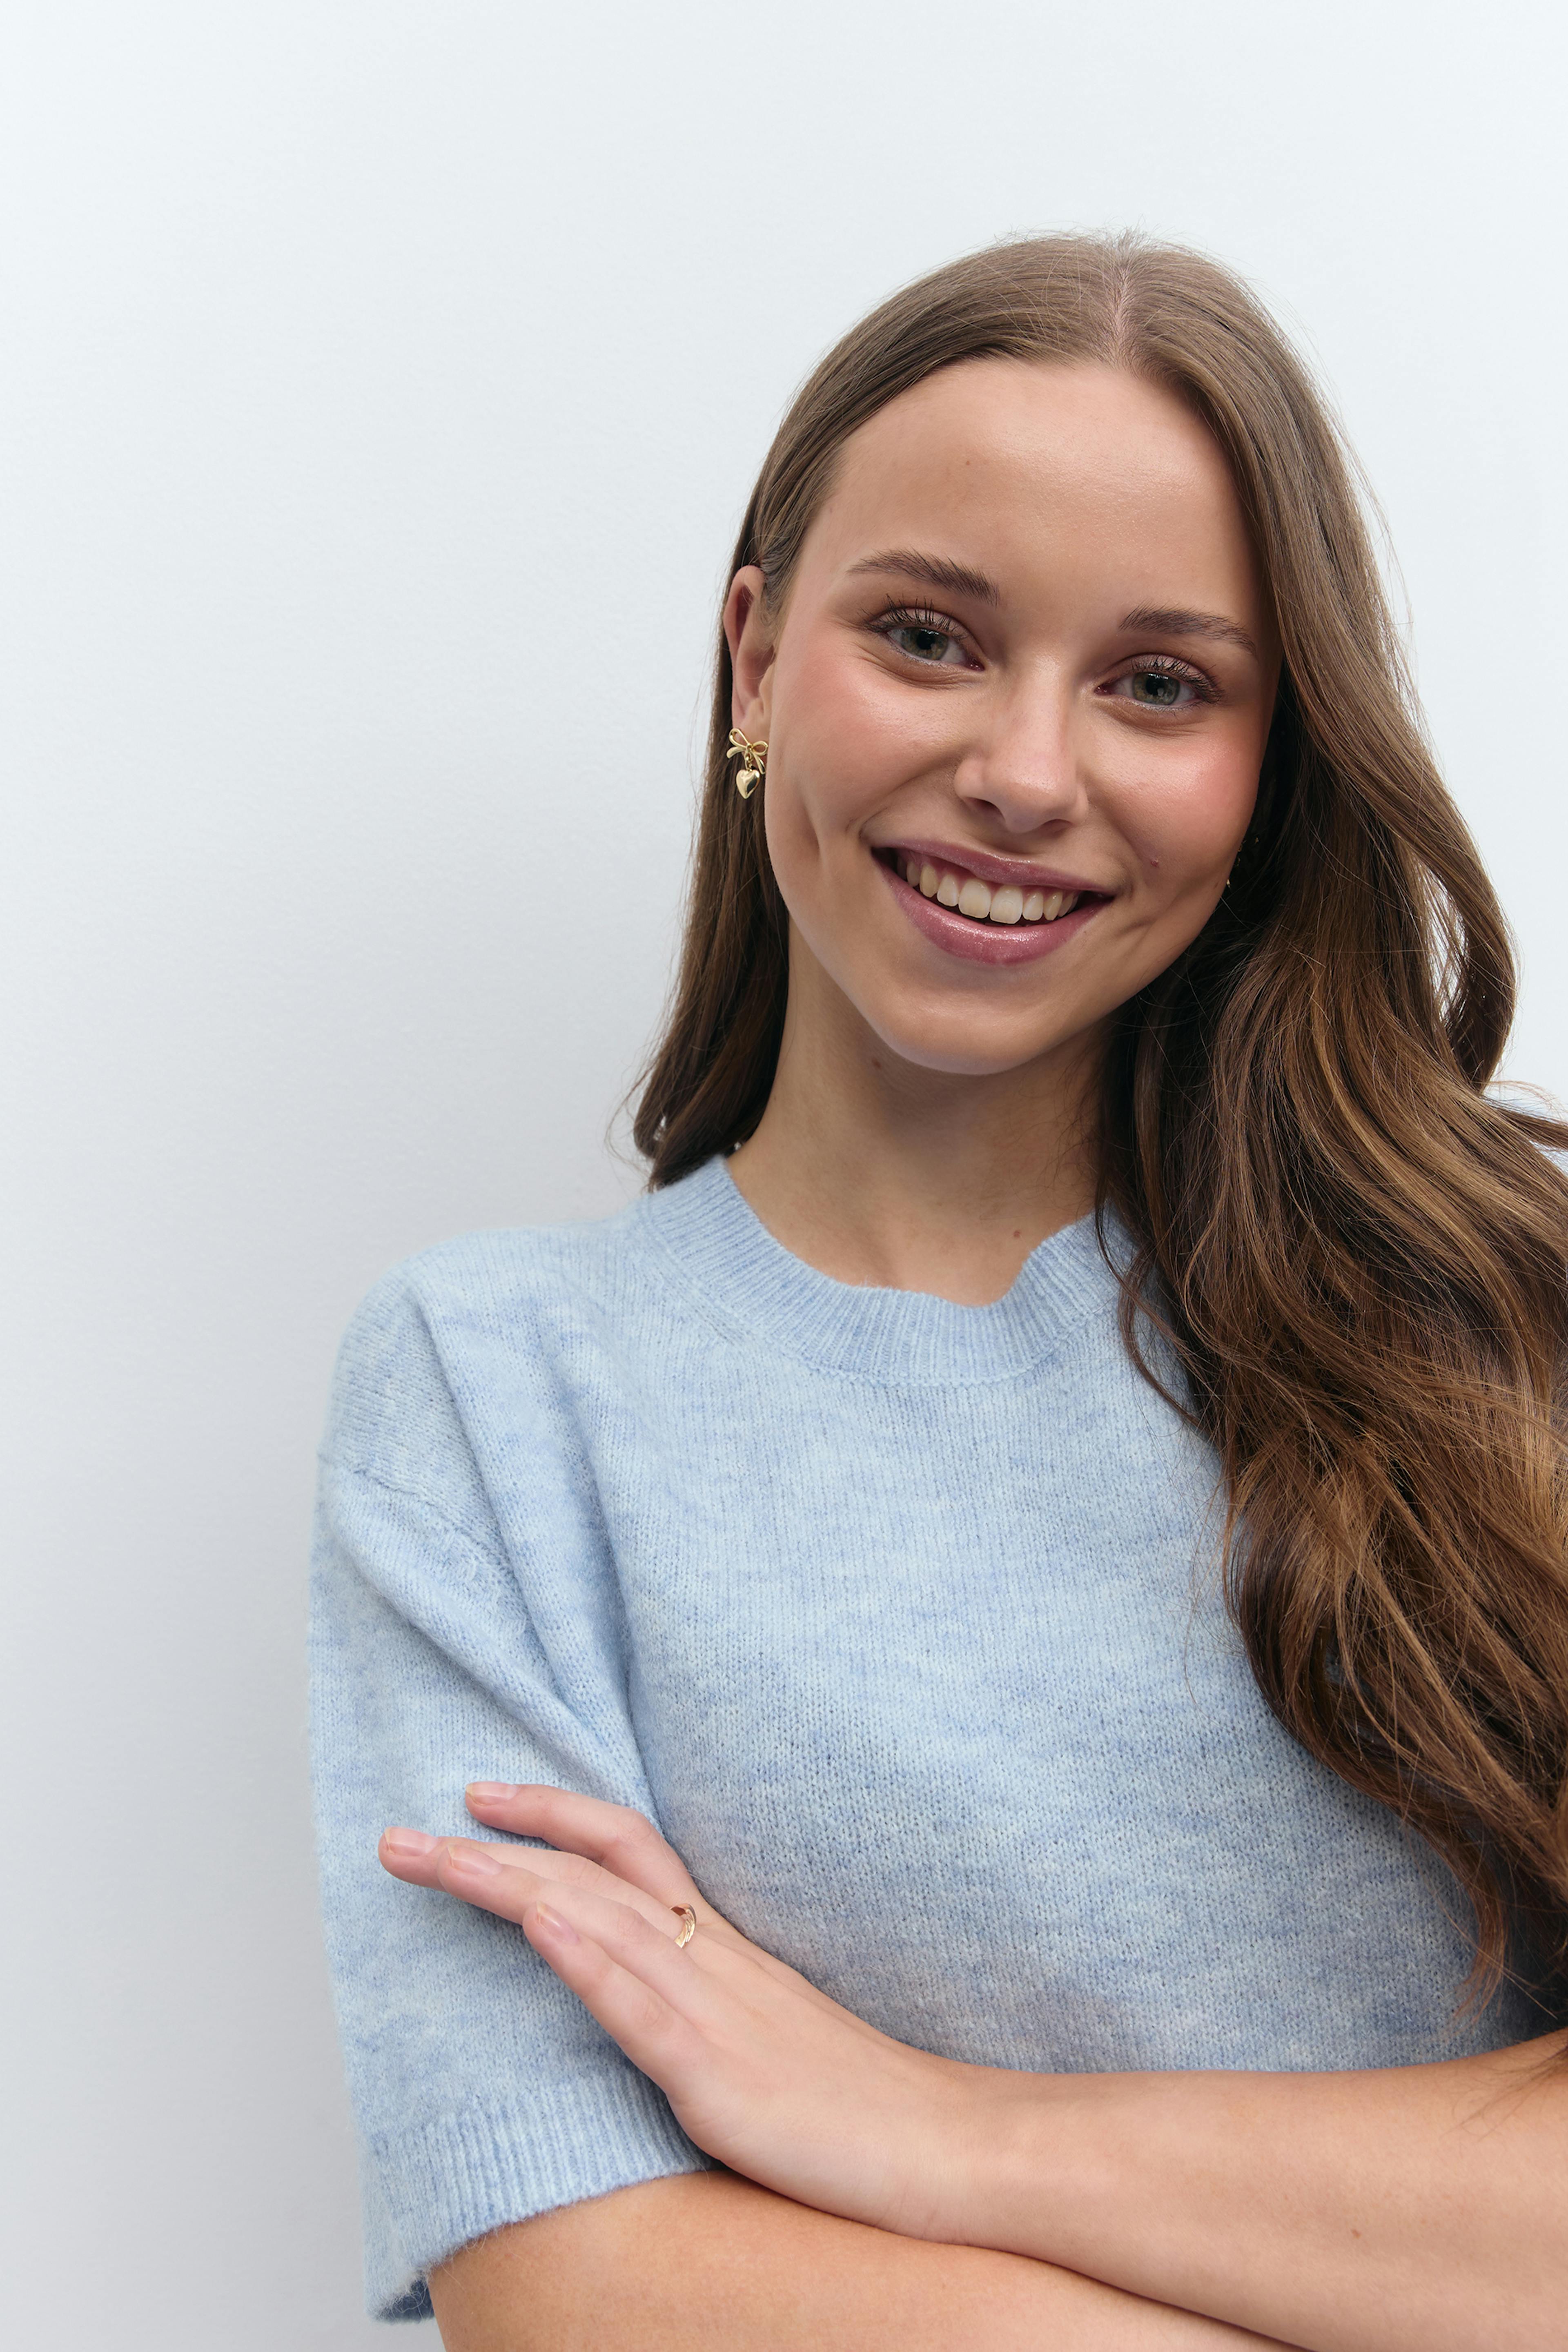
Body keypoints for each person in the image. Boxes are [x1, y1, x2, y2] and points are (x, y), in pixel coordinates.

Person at [310, 234, 1568, 2349]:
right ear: (753, 660)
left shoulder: (1505, 1321)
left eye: (1160, 684)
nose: (1027, 772)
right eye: (927, 637)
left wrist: (933, 2130)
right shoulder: (495, 1388)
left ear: (1270, 763)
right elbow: (571, 2281)